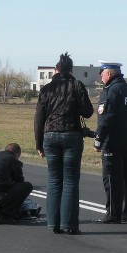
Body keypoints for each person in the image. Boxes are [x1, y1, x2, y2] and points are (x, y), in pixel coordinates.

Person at [34, 52, 94, 235]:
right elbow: (88, 112)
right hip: (71, 135)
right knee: (70, 181)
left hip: (50, 136)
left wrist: (39, 144)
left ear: (56, 70)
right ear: (71, 70)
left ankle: (53, 223)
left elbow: (39, 119)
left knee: (53, 180)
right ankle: (69, 224)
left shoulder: (46, 90)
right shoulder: (77, 85)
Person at [93, 61, 127, 224]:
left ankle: (113, 214)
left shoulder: (111, 91)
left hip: (113, 142)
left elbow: (106, 119)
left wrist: (98, 140)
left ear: (109, 74)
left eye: (102, 72)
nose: (100, 75)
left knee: (112, 179)